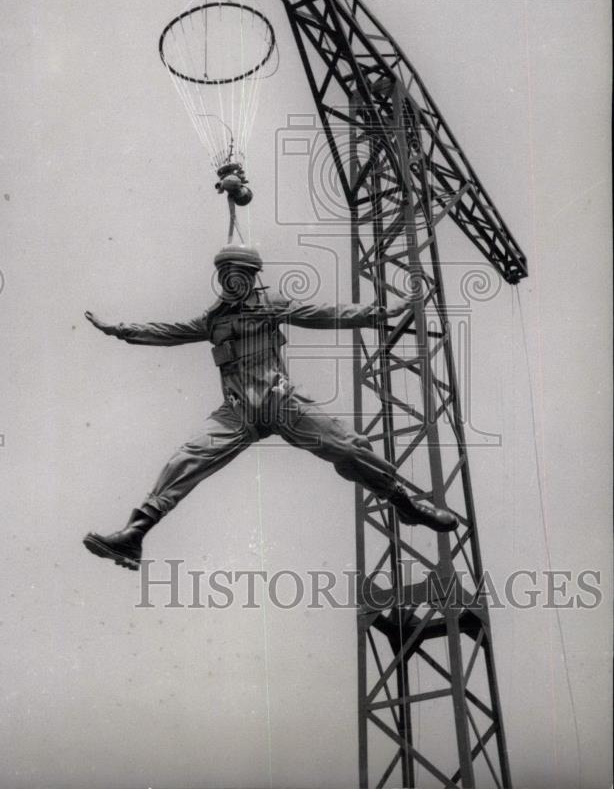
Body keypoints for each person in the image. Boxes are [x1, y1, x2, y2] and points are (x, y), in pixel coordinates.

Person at [83, 244, 457, 570]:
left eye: (238, 274)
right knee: (187, 457)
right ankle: (136, 532)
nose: (231, 281)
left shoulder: (270, 305)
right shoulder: (214, 320)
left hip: (281, 403)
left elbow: (324, 313)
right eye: (225, 274)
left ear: (250, 277)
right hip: (238, 412)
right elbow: (167, 331)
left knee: (348, 447)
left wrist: (380, 312)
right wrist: (120, 330)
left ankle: (404, 502)